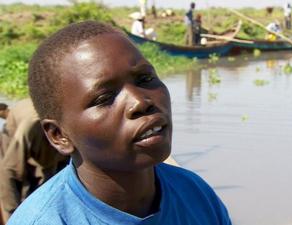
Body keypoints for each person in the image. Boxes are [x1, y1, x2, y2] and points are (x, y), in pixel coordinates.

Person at [7, 21, 231, 225]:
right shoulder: (45, 220)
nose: (140, 102)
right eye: (104, 98)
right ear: (59, 135)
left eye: (145, 79)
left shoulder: (194, 193)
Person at [0, 98, 69, 223]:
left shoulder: (73, 122)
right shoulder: (30, 126)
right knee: (15, 184)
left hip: (49, 155)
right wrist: (13, 217)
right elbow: (8, 174)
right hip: (18, 138)